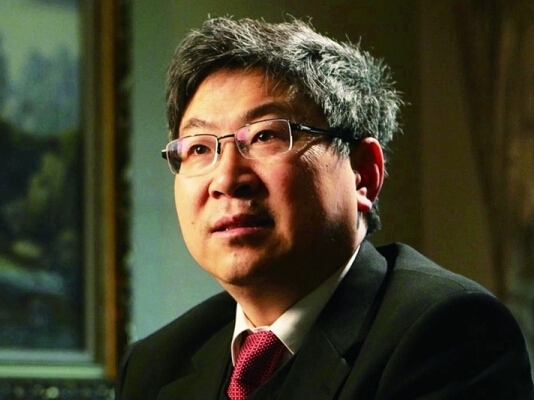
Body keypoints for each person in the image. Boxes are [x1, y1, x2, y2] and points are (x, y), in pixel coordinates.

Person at [116, 17, 534, 399]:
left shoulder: (449, 333)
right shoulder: (155, 365)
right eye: (199, 148)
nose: (226, 179)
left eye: (265, 136)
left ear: (363, 174)